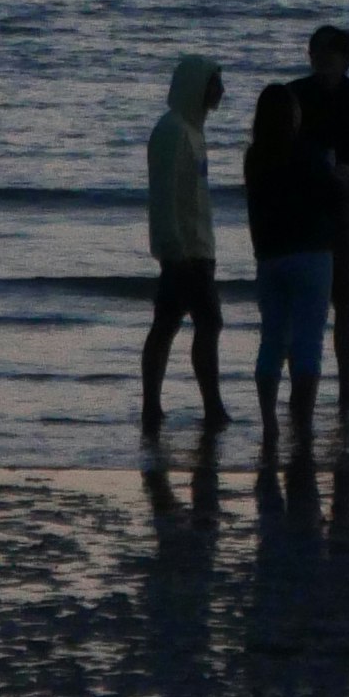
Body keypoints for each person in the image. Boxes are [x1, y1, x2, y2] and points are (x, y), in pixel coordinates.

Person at [241, 78, 334, 455]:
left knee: (272, 339)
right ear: (293, 117)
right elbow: (330, 197)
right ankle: (304, 421)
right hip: (311, 252)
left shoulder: (255, 156)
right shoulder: (310, 154)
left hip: (270, 253)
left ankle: (269, 421)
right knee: (308, 340)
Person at [140, 53, 229, 434]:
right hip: (185, 251)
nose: (221, 91)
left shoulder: (192, 130)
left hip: (196, 247)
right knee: (206, 322)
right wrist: (174, 249)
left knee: (168, 323)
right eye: (214, 82)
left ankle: (155, 406)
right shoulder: (173, 131)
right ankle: (210, 406)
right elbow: (163, 196)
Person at [289, 23, 349, 391]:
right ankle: (301, 381)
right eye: (315, 53)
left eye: (329, 53)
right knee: (304, 296)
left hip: (344, 200)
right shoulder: (295, 94)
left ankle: (345, 385)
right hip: (303, 203)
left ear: (347, 59)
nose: (321, 60)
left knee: (343, 294)